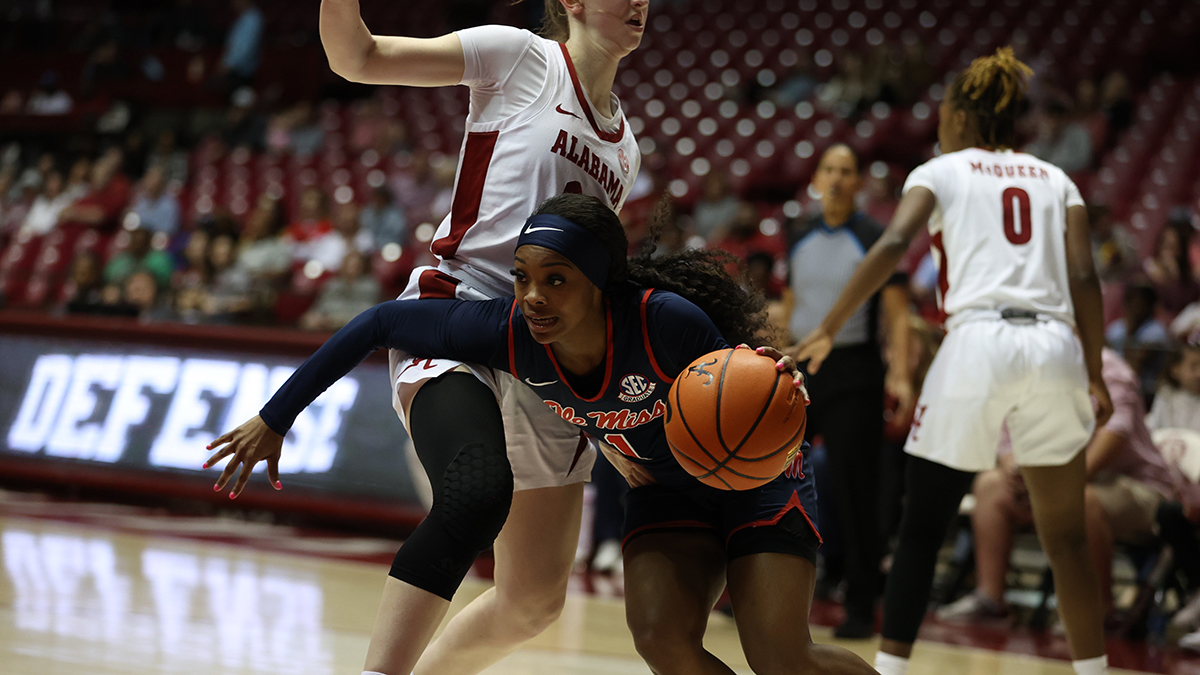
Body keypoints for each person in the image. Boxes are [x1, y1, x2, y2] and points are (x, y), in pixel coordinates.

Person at [207, 193, 876, 675]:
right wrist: (276, 415)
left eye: (556, 280)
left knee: (780, 657)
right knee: (664, 645)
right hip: (667, 494)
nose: (532, 297)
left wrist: (776, 383)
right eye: (523, 277)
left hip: (753, 482)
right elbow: (382, 321)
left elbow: (751, 388)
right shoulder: (512, 334)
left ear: (602, 287)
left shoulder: (664, 321)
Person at [314, 1, 644, 673]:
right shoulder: (521, 57)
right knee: (473, 491)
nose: (638, 1)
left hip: (542, 357)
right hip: (456, 315)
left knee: (533, 600)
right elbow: (359, 58)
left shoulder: (625, 148)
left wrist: (612, 414)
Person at [795, 47, 1115, 675]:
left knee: (921, 528)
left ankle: (890, 670)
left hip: (978, 343)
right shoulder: (1058, 179)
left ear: (964, 119)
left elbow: (892, 242)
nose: (938, 123)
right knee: (1066, 538)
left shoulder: (941, 171)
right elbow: (1084, 275)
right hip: (1054, 346)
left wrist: (831, 326)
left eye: (944, 112)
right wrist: (1097, 372)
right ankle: (1094, 672)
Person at [938, 348, 1177, 621]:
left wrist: (1055, 486)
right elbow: (1007, 428)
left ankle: (1097, 612)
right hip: (1052, 479)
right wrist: (1011, 463)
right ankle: (991, 599)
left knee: (1081, 500)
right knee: (991, 485)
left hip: (1134, 484)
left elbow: (1114, 435)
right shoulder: (1028, 365)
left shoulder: (1111, 370)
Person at [783, 143, 912, 638]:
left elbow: (899, 316)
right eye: (829, 170)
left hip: (856, 371)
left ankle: (861, 605)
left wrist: (899, 373)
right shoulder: (798, 235)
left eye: (846, 171)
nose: (836, 179)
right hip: (803, 367)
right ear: (817, 177)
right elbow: (792, 302)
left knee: (857, 492)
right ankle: (761, 585)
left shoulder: (875, 238)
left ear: (859, 183)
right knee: (773, 477)